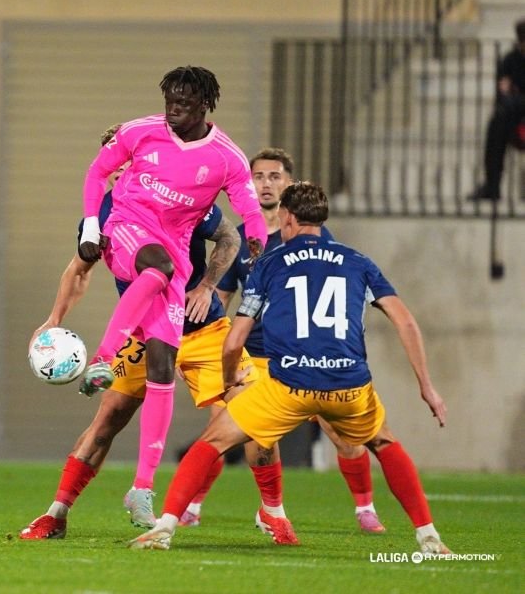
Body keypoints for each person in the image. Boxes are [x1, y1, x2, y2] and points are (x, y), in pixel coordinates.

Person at [130, 182, 451, 556]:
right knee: (383, 442)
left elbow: (235, 340)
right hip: (348, 386)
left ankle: (165, 527)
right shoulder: (358, 261)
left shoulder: (269, 263)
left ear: (288, 217)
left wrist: (231, 375)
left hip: (288, 386)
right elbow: (406, 322)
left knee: (212, 442)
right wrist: (426, 386)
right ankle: (428, 536)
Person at [22, 124, 262, 539]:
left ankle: (272, 513)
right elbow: (78, 270)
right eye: (108, 169)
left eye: (119, 165)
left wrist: (206, 287)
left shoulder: (182, 196)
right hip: (144, 333)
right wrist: (54, 319)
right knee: (107, 419)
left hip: (204, 331)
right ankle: (56, 513)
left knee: (251, 416)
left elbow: (228, 238)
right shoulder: (103, 216)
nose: (114, 174)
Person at [75, 68, 267, 515]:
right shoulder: (139, 133)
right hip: (125, 234)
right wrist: (90, 226)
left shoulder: (226, 158)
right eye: (169, 102)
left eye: (183, 104)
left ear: (204, 105)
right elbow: (95, 172)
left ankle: (142, 489)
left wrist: (257, 243)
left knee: (162, 369)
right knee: (155, 266)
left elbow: (247, 211)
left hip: (175, 265)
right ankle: (102, 358)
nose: (173, 110)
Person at [216, 147, 386, 535]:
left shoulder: (316, 235)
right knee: (244, 433)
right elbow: (224, 298)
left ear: (289, 184)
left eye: (274, 176)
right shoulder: (241, 239)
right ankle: (263, 509)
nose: (265, 183)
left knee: (341, 433)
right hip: (255, 355)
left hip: (307, 355)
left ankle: (365, 507)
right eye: (258, 176)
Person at [472, 18, 525, 200]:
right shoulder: (509, 61)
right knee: (497, 123)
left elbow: (509, 93)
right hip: (515, 123)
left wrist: (515, 94)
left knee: (506, 111)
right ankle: (492, 186)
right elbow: (502, 96)